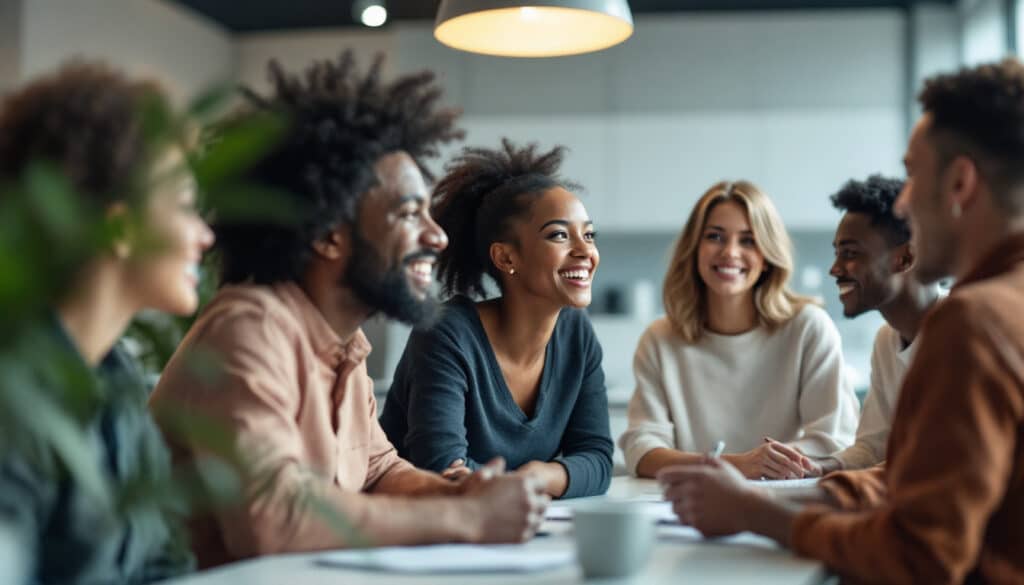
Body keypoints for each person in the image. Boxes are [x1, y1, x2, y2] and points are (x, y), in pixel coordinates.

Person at [149, 53, 549, 568]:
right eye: (408, 213)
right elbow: (271, 518)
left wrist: (461, 494)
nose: (438, 235)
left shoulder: (343, 347)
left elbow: (379, 472)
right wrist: (469, 520)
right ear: (327, 235)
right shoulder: (250, 328)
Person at [659, 58, 1024, 584]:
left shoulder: (974, 324)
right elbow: (911, 479)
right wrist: (813, 490)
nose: (903, 199)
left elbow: (920, 556)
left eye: (914, 174)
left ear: (961, 183)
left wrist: (754, 515)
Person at [0, 62, 210, 584]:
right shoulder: (15, 398)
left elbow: (167, 562)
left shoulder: (115, 374)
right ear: (119, 226)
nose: (204, 235)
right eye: (186, 207)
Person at [379, 140, 613, 499]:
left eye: (589, 235)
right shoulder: (446, 333)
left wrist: (541, 478)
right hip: (420, 532)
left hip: (508, 525)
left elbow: (597, 460)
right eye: (559, 235)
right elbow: (441, 467)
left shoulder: (576, 334)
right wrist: (535, 481)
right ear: (505, 258)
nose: (585, 251)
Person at [619, 180, 858, 480]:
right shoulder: (660, 339)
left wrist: (756, 466)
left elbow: (834, 440)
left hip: (783, 501)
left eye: (748, 240)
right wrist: (737, 465)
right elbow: (641, 449)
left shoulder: (808, 328)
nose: (730, 252)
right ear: (694, 249)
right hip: (693, 503)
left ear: (767, 255)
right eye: (715, 236)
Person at [820, 175, 943, 473]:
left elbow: (932, 461)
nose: (834, 269)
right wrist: (818, 467)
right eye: (837, 253)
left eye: (850, 253)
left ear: (905, 258)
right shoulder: (887, 339)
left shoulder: (963, 330)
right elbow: (874, 447)